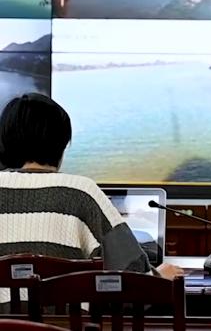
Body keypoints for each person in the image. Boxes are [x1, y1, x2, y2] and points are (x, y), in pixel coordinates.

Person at [0, 94, 183, 306]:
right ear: (60, 145)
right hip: (62, 323)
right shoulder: (81, 192)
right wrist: (158, 277)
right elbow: (133, 283)